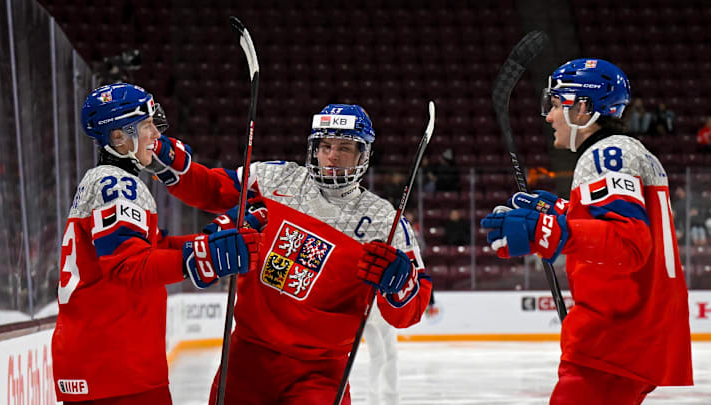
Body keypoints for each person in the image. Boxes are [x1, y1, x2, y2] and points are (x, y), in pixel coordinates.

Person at [152, 104, 432, 404]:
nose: (332, 156)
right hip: (246, 359)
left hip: (321, 373)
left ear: (364, 155)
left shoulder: (383, 221)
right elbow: (211, 189)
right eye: (325, 146)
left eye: (345, 148)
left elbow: (411, 310)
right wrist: (163, 157)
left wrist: (401, 286)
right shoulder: (275, 180)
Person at [480, 59, 693, 404]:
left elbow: (629, 244)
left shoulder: (606, 154)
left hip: (613, 340)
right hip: (631, 339)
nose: (548, 116)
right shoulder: (630, 151)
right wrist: (563, 211)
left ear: (583, 108)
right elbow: (628, 224)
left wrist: (546, 231)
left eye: (555, 103)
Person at [51, 83, 261, 404]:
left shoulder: (104, 180)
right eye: (146, 126)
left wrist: (215, 239)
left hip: (100, 362)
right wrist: (205, 258)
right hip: (117, 368)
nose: (155, 136)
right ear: (119, 137)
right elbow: (129, 266)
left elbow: (153, 249)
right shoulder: (118, 184)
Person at [363, 302, 400, 405]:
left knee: (389, 354)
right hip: (370, 309)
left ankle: (390, 393)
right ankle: (374, 394)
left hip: (381, 308)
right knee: (380, 355)